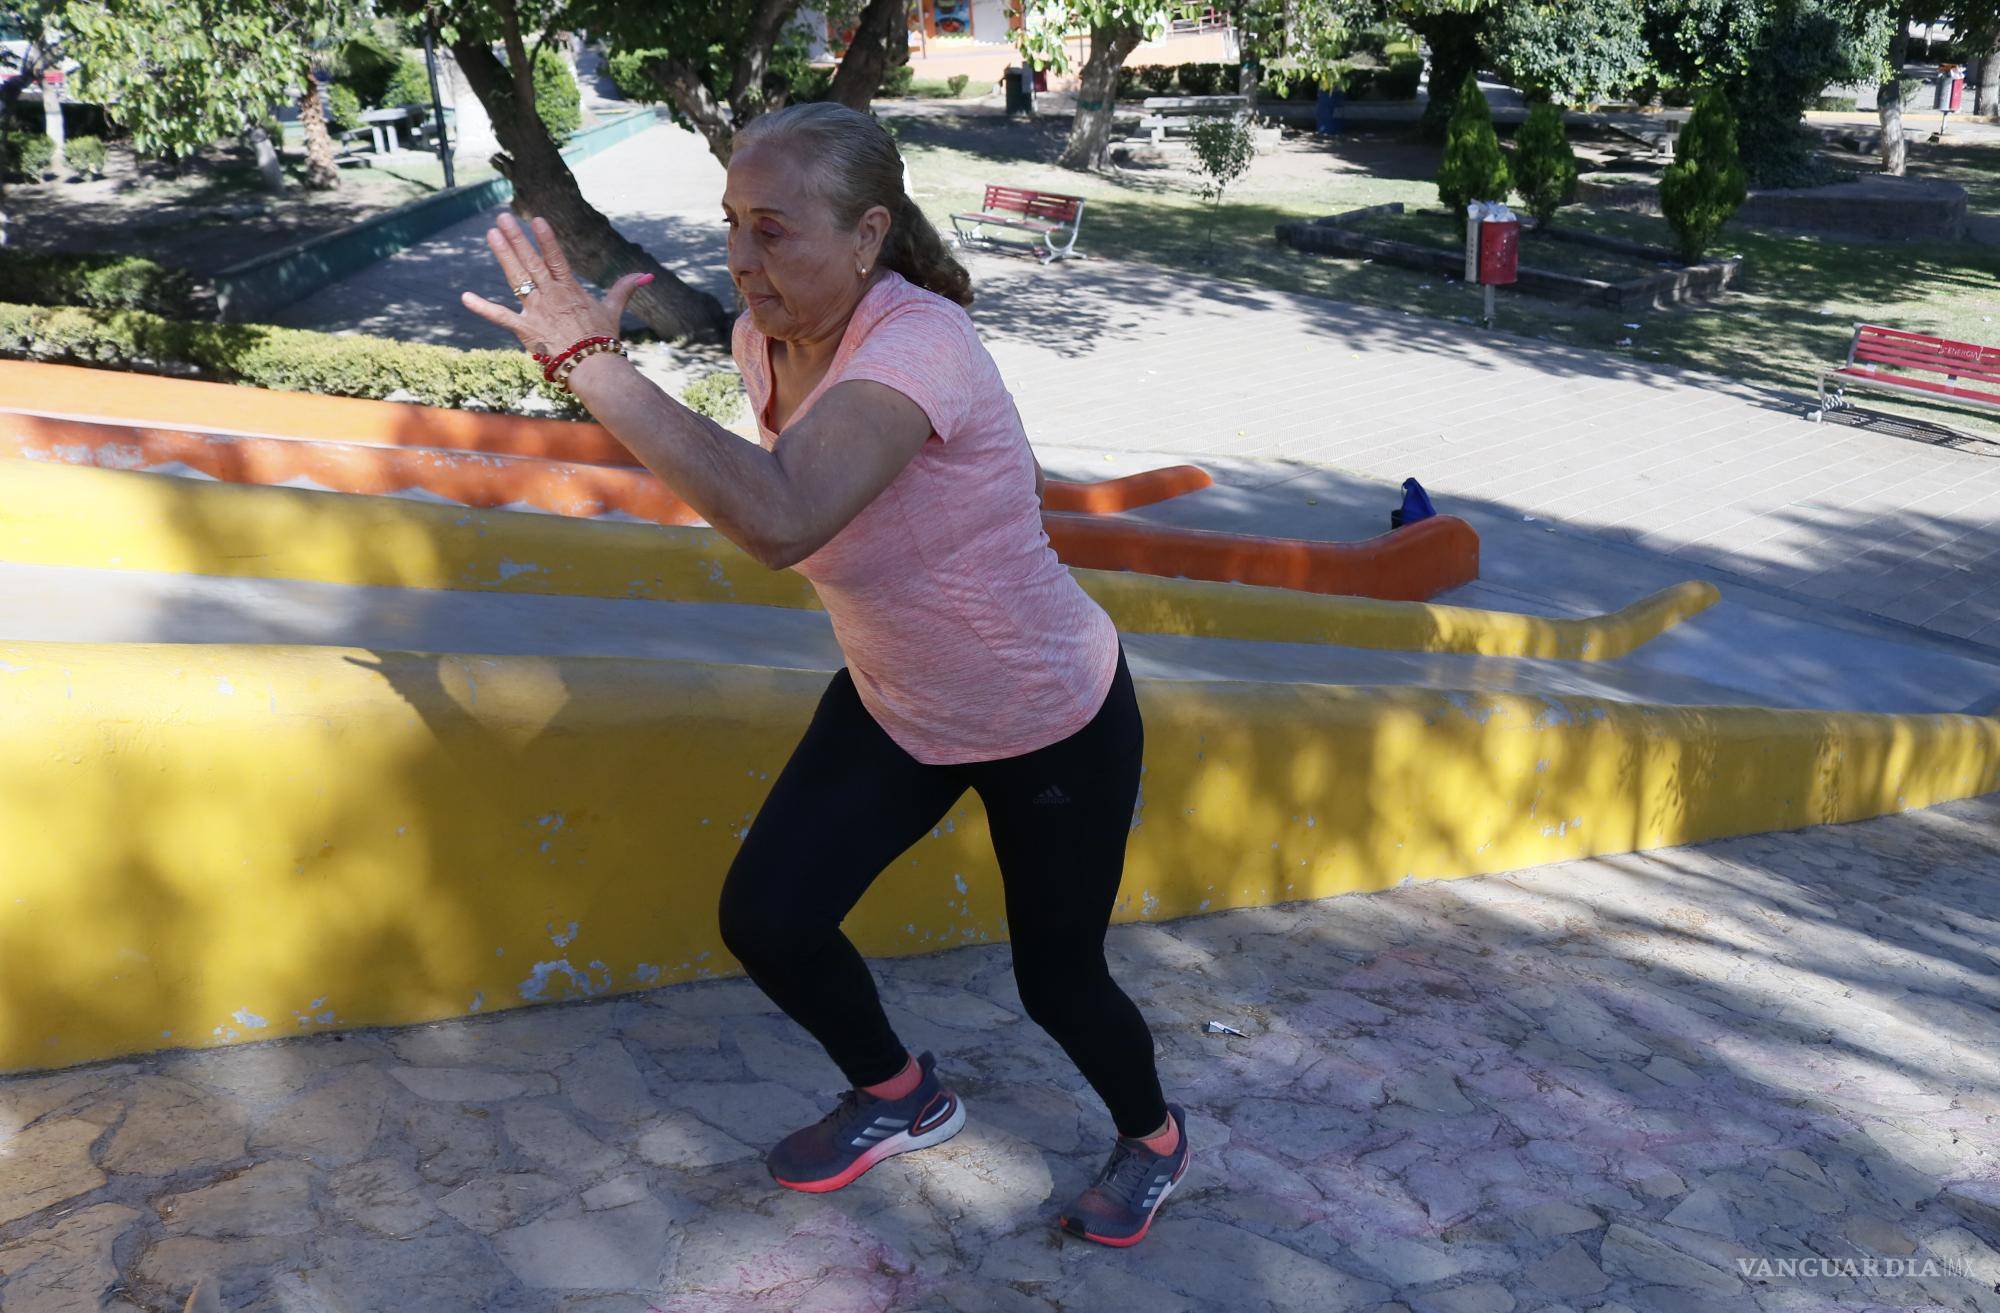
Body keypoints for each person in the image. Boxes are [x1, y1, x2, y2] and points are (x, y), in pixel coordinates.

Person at [459, 101, 1188, 1248]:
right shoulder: (764, 342)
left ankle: (1152, 1137)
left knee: (1058, 981)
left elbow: (784, 514)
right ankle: (901, 1093)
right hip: (896, 701)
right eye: (730, 223)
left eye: (773, 229)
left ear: (866, 235)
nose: (740, 258)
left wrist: (591, 368)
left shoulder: (920, 344)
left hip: (1046, 712)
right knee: (770, 917)